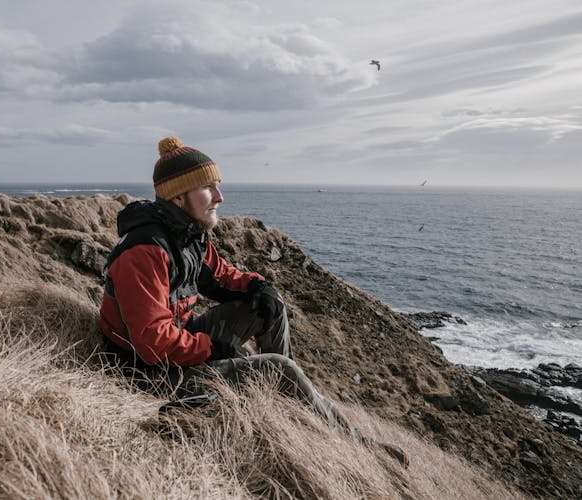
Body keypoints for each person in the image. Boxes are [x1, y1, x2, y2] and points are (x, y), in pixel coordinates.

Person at [99, 136, 408, 467]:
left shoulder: (187, 234)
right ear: (178, 194)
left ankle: (284, 401)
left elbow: (221, 277)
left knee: (269, 309)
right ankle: (358, 446)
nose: (220, 197)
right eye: (208, 188)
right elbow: (151, 343)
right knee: (279, 367)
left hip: (177, 344)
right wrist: (212, 348)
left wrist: (259, 287)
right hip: (147, 372)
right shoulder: (144, 252)